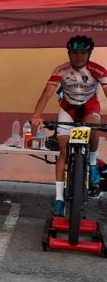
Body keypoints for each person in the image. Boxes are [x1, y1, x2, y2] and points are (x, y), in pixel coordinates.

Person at [31, 35, 107, 216]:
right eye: (74, 53)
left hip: (89, 106)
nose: (78, 57)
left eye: (83, 53)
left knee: (93, 128)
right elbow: (47, 93)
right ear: (69, 53)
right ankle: (59, 199)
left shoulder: (97, 70)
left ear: (89, 53)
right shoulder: (61, 70)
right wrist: (36, 114)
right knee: (64, 152)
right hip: (68, 108)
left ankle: (93, 164)